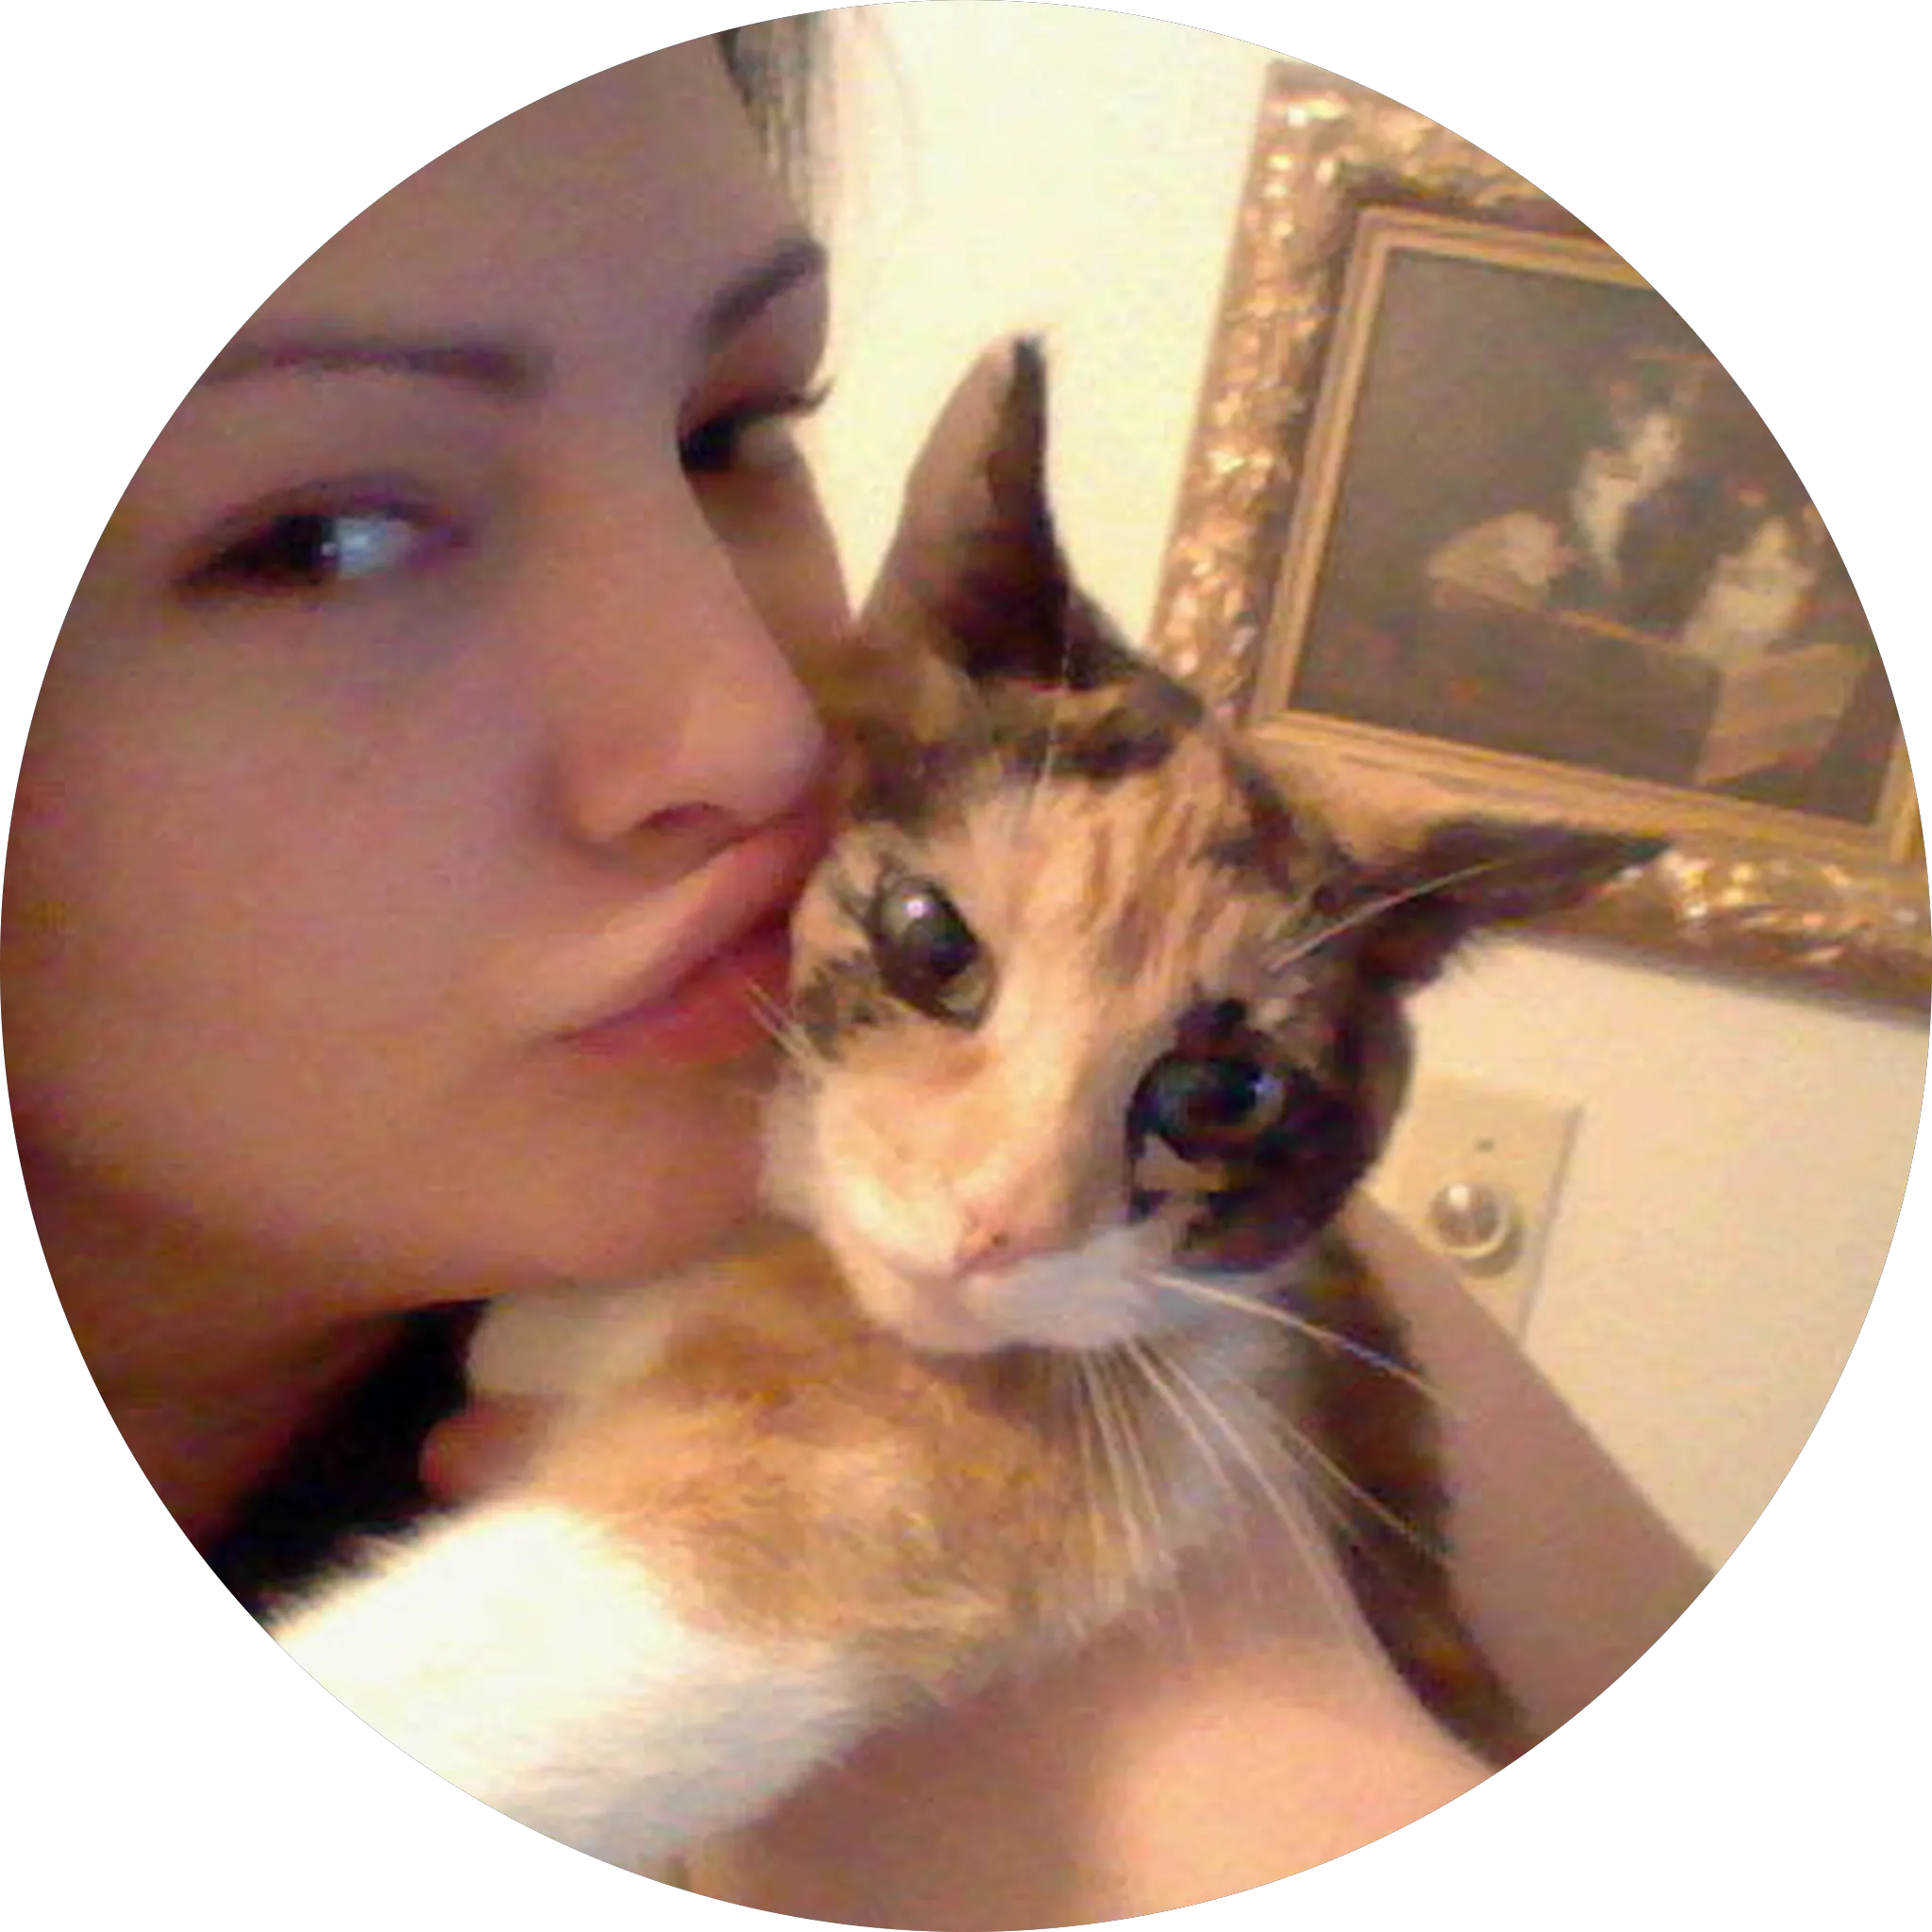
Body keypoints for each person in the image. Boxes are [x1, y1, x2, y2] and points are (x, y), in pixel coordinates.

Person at [4, 21, 1775, 1921]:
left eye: (731, 434)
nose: (764, 722)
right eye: (324, 537)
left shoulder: (1243, 1322)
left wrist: (1222, 1757)